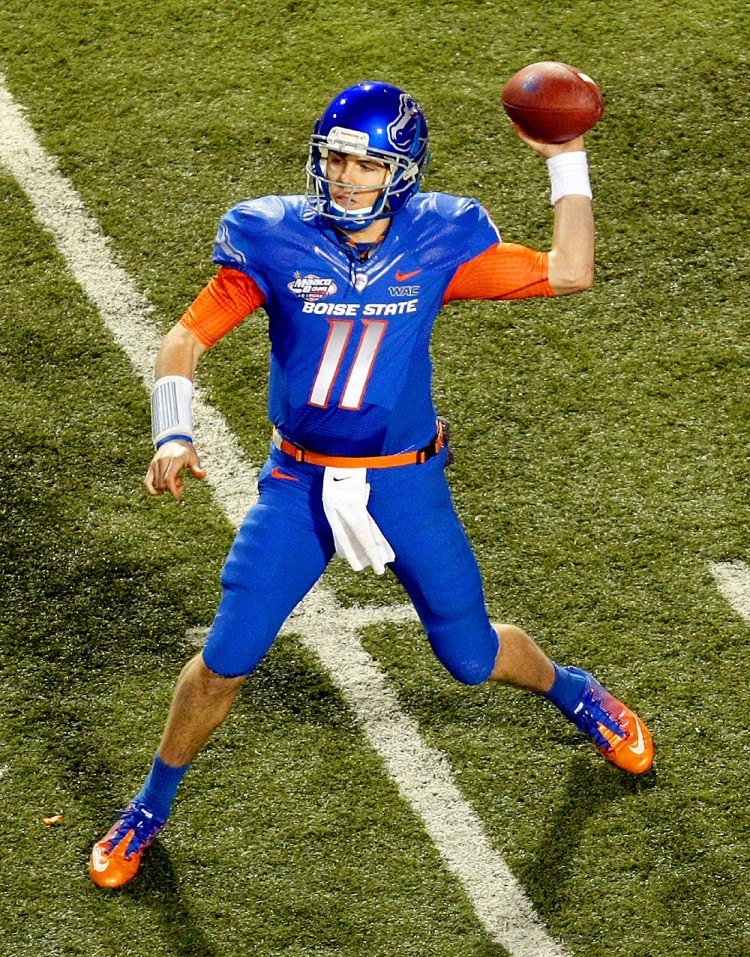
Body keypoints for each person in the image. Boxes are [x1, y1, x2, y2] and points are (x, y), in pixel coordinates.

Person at [89, 80, 654, 889]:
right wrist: (172, 429)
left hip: (406, 482)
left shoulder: (438, 242)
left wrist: (568, 159)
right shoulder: (272, 239)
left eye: (365, 162)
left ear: (404, 170)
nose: (346, 176)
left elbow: (570, 270)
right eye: (335, 158)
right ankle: (148, 807)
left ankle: (575, 690)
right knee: (225, 657)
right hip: (298, 484)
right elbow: (184, 339)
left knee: (468, 655)